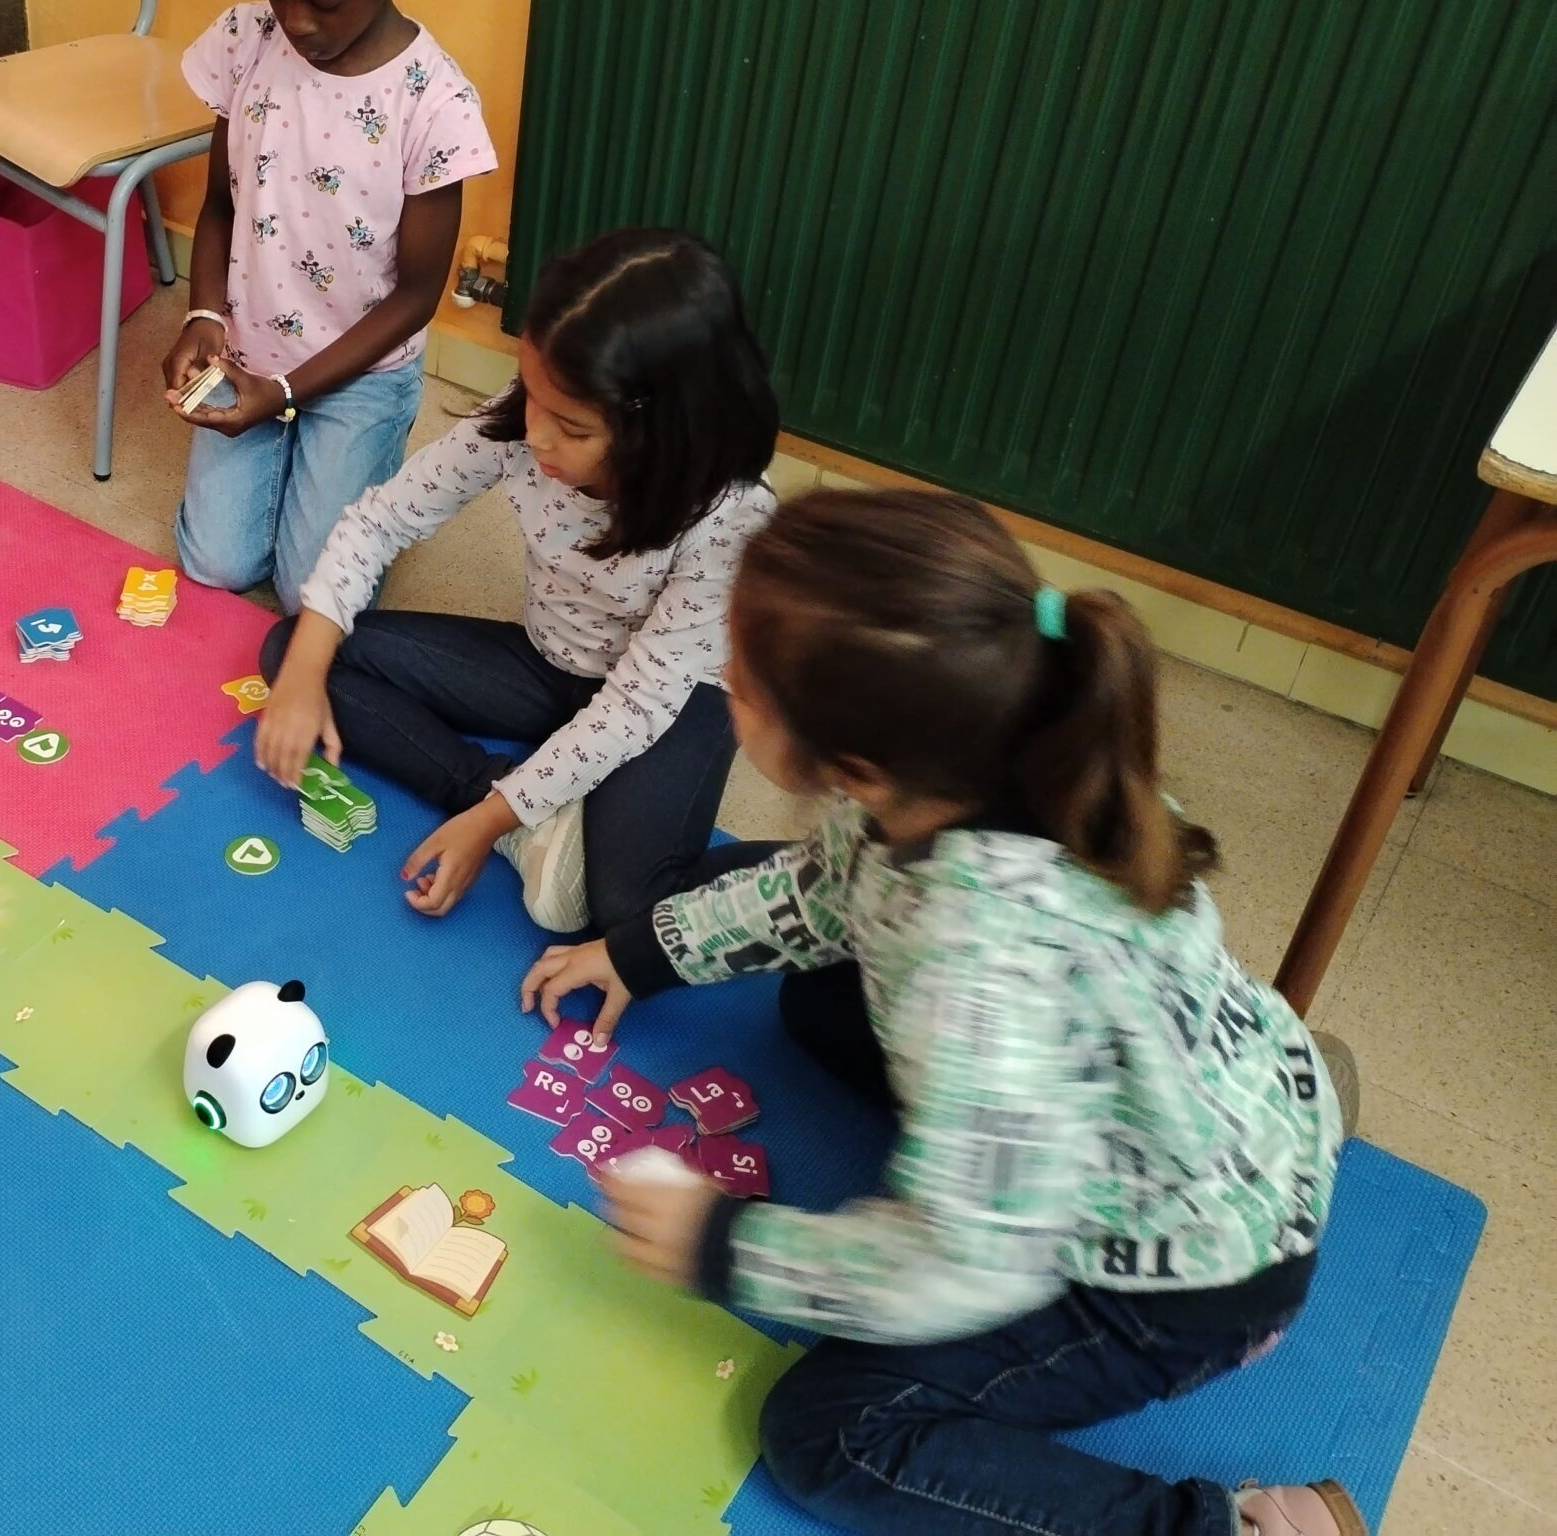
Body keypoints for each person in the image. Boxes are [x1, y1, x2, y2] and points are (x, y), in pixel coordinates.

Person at [522, 487, 1363, 1536]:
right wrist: (642, 952)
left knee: (829, 1435)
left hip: (1181, 1282)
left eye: (740, 679)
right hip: (1223, 1099)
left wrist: (723, 1245)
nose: (722, 680)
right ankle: (1307, 1118)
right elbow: (822, 894)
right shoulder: (990, 754)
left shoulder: (976, 968)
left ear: (857, 763)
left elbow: (965, 1262)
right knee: (819, 998)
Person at [256, 229, 780, 930]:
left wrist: (482, 826)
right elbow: (381, 521)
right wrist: (304, 673)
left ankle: (830, 882)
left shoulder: (728, 516)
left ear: (662, 432)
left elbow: (636, 706)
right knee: (297, 647)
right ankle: (507, 802)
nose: (537, 435)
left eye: (572, 427)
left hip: (672, 701)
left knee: (629, 910)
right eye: (531, 393)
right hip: (550, 660)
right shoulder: (525, 420)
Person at [161, 0, 497, 611]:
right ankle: (291, 457)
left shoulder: (432, 105)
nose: (295, 20)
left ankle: (357, 455)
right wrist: (203, 316)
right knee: (215, 564)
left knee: (309, 589)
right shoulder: (246, 42)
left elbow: (416, 297)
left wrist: (286, 396)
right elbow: (221, 206)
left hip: (360, 377)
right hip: (250, 350)